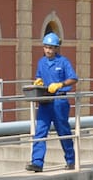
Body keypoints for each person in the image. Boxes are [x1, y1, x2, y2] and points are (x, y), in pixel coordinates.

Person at [26, 32, 78, 172]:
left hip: (59, 100)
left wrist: (61, 84)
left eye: (51, 48)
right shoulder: (41, 62)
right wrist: (38, 81)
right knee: (40, 130)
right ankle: (37, 162)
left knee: (63, 131)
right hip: (45, 100)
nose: (48, 50)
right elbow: (39, 76)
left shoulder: (63, 62)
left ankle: (70, 160)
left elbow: (73, 78)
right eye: (46, 47)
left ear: (56, 48)